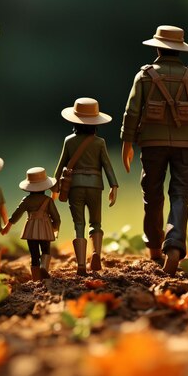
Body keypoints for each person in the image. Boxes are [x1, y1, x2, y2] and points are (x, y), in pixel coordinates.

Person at [120, 25, 188, 276]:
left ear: (157, 47)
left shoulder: (144, 76)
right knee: (180, 195)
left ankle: (154, 246)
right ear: (180, 49)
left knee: (151, 194)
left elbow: (132, 112)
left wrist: (127, 143)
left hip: (152, 145)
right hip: (185, 146)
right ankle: (174, 245)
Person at [53, 97, 118, 275]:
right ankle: (96, 253)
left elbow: (60, 166)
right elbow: (107, 165)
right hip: (96, 186)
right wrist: (114, 185)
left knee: (78, 223)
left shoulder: (69, 141)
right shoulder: (99, 142)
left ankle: (81, 264)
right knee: (95, 222)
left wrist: (54, 186)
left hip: (75, 186)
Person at [2, 167, 61, 281]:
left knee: (34, 254)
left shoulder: (26, 200)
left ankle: (35, 278)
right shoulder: (48, 200)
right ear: (45, 186)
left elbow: (16, 214)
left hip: (30, 229)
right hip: (45, 228)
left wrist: (7, 226)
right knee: (46, 250)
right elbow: (56, 217)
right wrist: (54, 227)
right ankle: (44, 267)